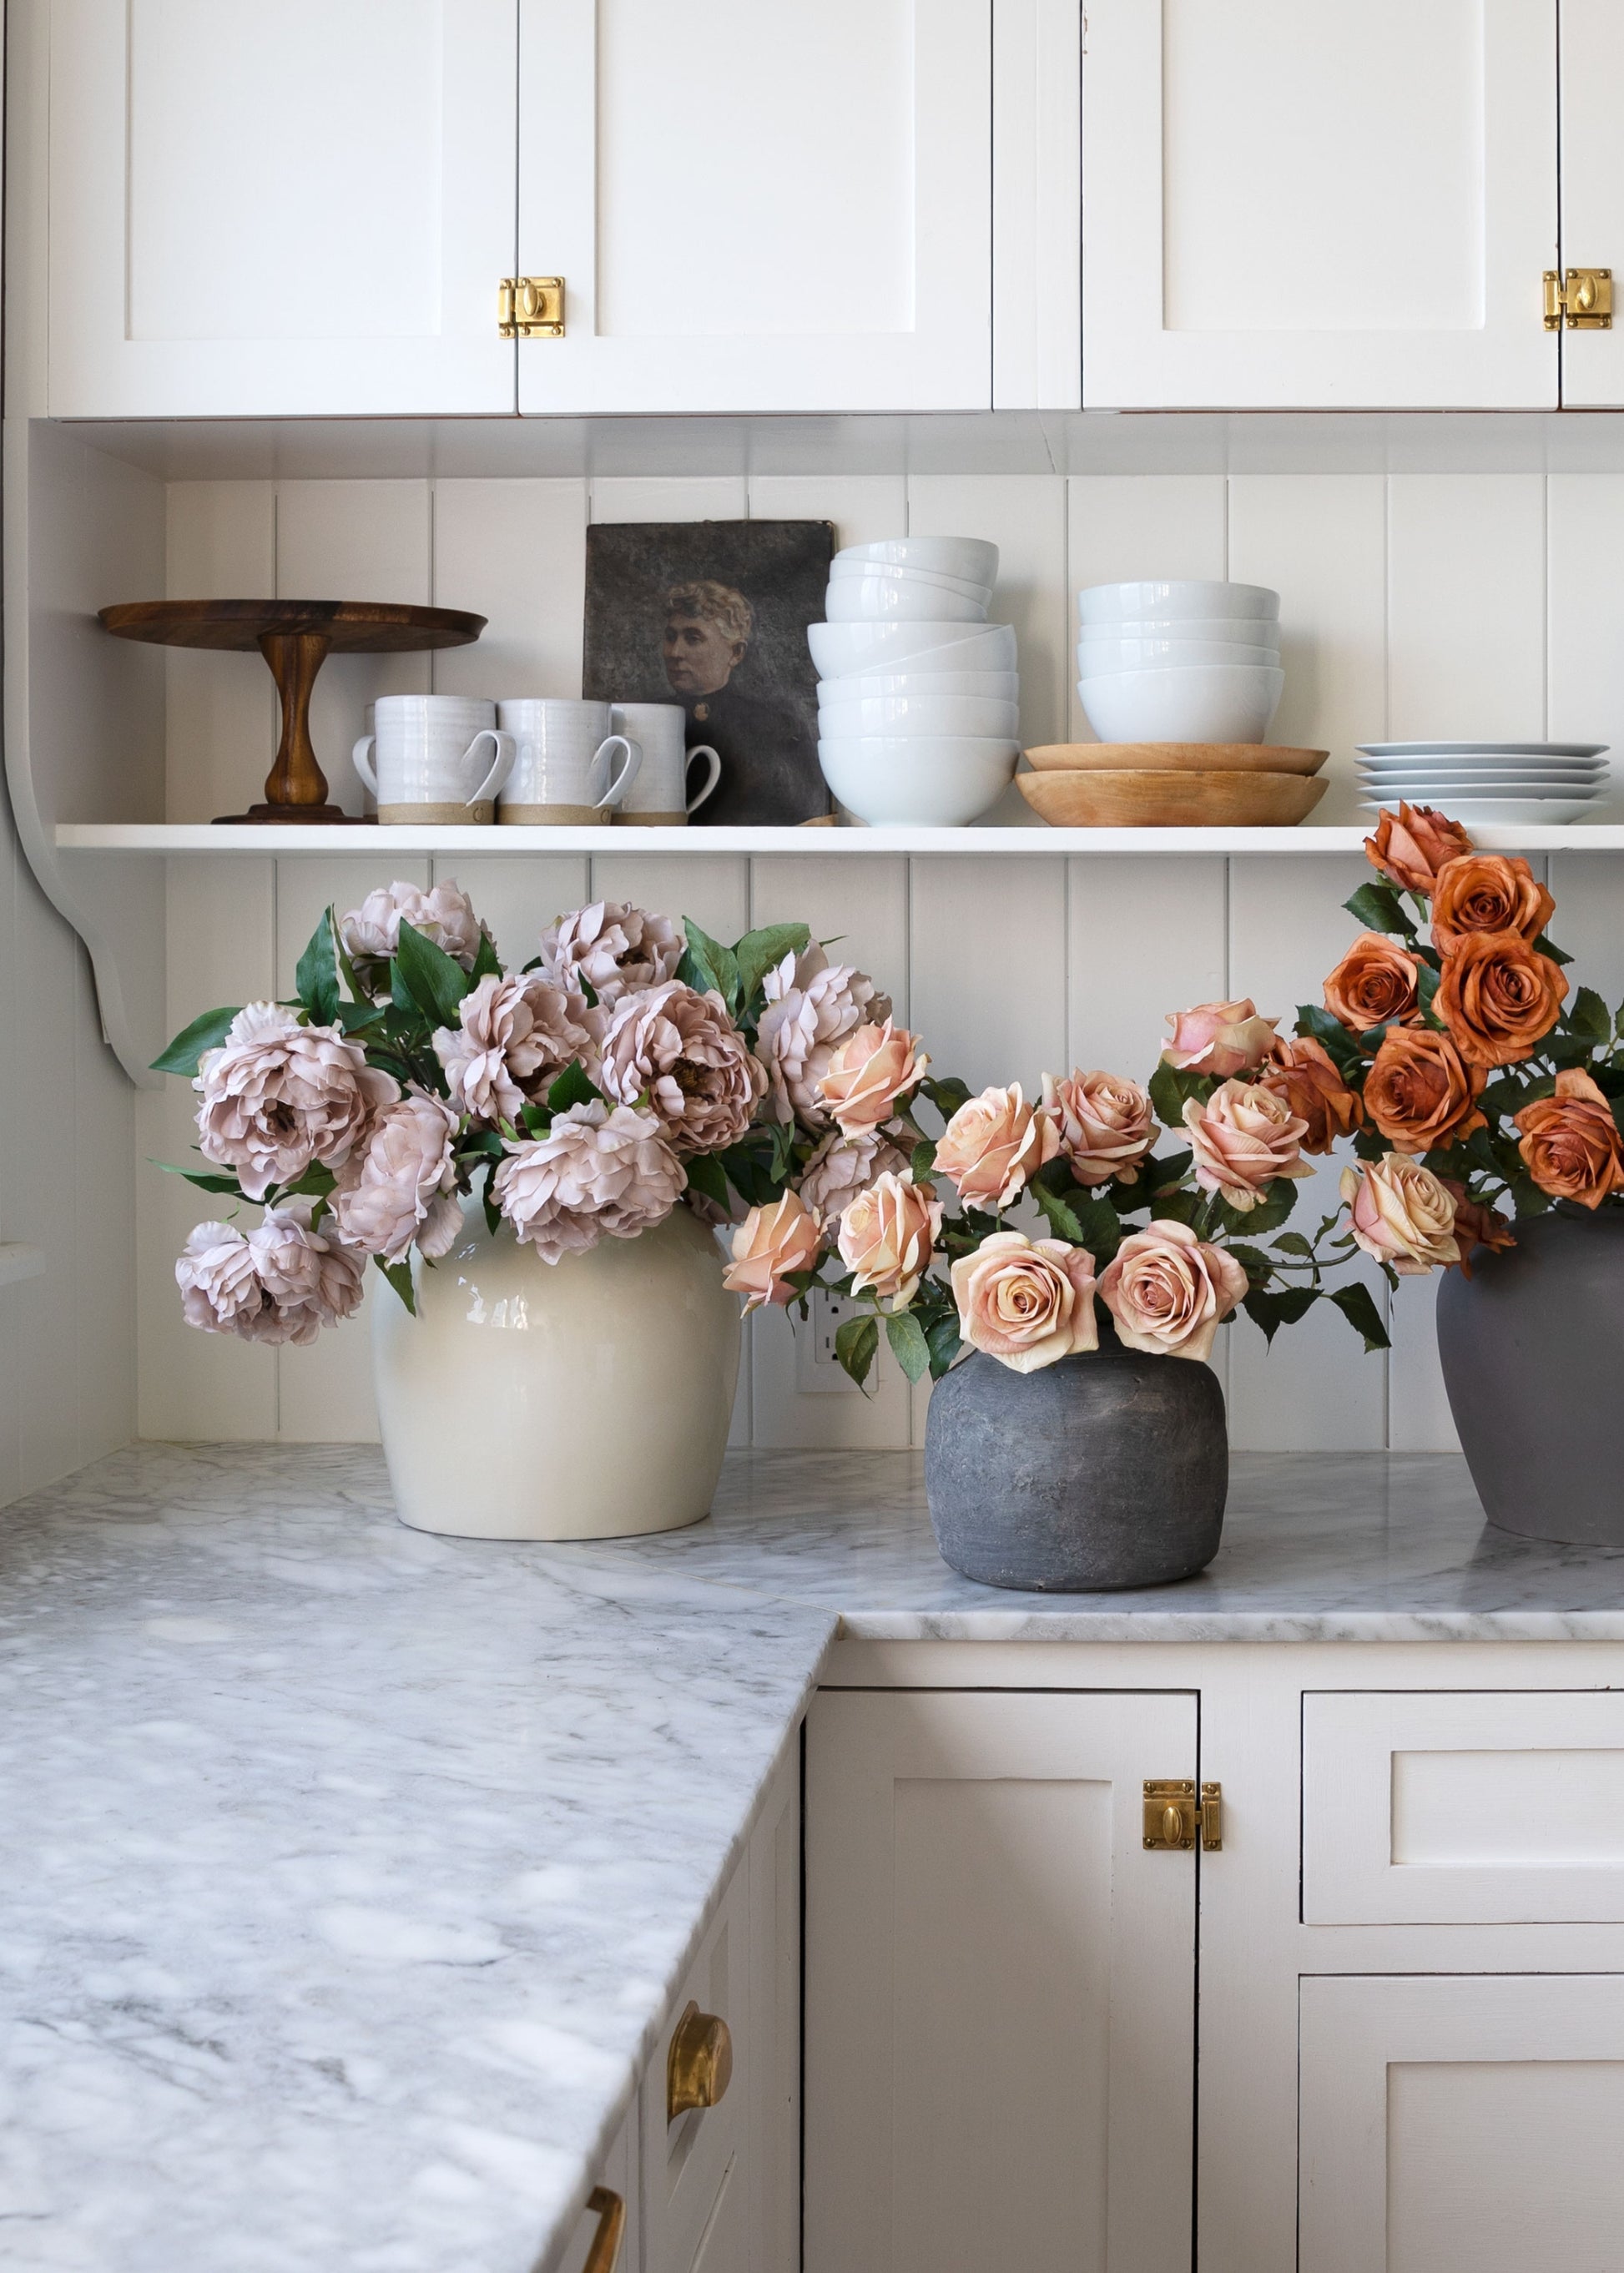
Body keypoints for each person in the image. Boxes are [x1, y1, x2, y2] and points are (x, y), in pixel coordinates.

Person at [661, 580, 819, 824]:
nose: (675, 652)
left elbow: (800, 815)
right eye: (671, 637)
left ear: (736, 653)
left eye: (693, 638)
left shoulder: (776, 727)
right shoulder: (650, 717)